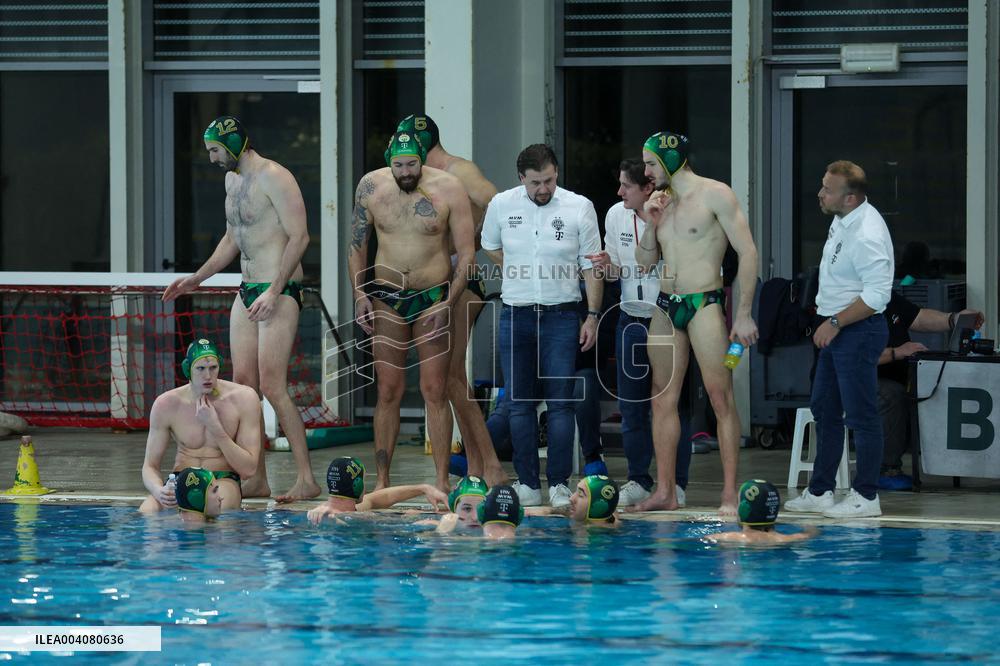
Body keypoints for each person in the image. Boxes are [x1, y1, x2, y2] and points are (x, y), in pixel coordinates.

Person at [162, 116, 319, 502]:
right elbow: (233, 237)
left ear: (232, 146)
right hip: (247, 289)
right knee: (244, 388)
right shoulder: (232, 181)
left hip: (278, 289)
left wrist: (276, 290)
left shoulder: (274, 177)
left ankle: (305, 478)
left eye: (215, 150)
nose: (212, 158)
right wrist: (196, 278)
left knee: (272, 386)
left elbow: (301, 237)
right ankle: (258, 478)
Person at [633, 132, 759, 516]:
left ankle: (729, 494)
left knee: (720, 398)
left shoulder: (715, 194)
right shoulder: (661, 204)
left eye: (651, 163)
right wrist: (651, 223)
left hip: (704, 303)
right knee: (661, 398)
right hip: (666, 305)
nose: (646, 171)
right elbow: (643, 263)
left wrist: (743, 314)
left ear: (672, 160)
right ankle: (666, 491)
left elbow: (748, 251)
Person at [348, 131, 476, 493]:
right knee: (388, 390)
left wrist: (448, 303)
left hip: (433, 297)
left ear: (423, 160)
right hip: (385, 298)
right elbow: (356, 245)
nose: (405, 172)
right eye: (398, 165)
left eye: (412, 164)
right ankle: (383, 482)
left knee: (434, 389)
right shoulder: (371, 187)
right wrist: (359, 294)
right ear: (390, 161)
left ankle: (440, 484)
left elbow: (466, 255)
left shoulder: (450, 188)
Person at [480, 144, 603, 508]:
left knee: (561, 404)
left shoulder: (579, 207)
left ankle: (560, 484)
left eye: (549, 180)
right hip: (515, 314)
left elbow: (591, 266)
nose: (544, 189)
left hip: (562, 316)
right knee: (518, 404)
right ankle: (529, 484)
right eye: (535, 183)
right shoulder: (501, 205)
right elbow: (490, 246)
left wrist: (592, 316)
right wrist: (518, 273)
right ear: (521, 179)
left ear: (556, 173)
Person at [391, 115, 507, 486]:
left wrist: (477, 241)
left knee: (453, 378)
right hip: (435, 286)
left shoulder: (459, 170)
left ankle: (490, 466)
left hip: (462, 281)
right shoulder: (422, 177)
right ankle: (476, 463)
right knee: (450, 380)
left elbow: (496, 200)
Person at [785, 160, 893, 519]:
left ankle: (866, 496)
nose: (819, 193)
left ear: (849, 198)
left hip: (857, 330)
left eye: (827, 190)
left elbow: (878, 295)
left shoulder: (868, 233)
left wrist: (834, 321)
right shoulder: (842, 219)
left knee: (861, 415)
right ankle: (821, 491)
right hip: (834, 327)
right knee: (824, 408)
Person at [587, 158, 694, 508]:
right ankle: (638, 478)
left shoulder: (677, 214)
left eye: (626, 186)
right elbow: (619, 271)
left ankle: (676, 483)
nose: (619, 192)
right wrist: (608, 268)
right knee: (631, 405)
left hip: (668, 320)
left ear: (648, 188)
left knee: (671, 404)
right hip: (630, 318)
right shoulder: (616, 215)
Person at [876, 292, 984, 490]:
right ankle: (886, 469)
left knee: (936, 385)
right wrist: (896, 352)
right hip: (856, 381)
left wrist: (953, 319)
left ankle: (949, 459)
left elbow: (918, 317)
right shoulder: (850, 303)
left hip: (899, 373)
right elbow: (852, 355)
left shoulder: (885, 296)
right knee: (891, 393)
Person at [140, 339, 262, 515]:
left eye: (213, 368)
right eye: (201, 369)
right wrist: (158, 491)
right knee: (147, 512)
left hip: (221, 480)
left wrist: (215, 428)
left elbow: (249, 469)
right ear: (187, 369)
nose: (208, 376)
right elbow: (149, 466)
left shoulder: (244, 399)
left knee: (215, 510)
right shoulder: (166, 404)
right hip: (181, 479)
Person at [307, 456, 449, 524]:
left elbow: (383, 497)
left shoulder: (349, 509)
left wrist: (424, 488)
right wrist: (412, 519)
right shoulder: (339, 518)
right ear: (356, 485)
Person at [710, 480, 817, 545]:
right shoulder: (788, 539)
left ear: (743, 510)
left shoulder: (724, 538)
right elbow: (812, 533)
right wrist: (809, 528)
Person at [421, 475, 490, 534]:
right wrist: (441, 533)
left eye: (482, 508)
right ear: (453, 510)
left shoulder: (496, 530)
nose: (475, 517)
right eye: (467, 509)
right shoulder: (426, 526)